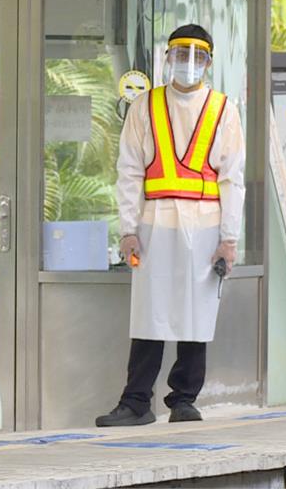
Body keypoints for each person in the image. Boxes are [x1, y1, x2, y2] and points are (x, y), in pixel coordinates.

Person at [95, 24, 245, 427]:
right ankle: (136, 402)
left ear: (209, 62)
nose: (188, 63)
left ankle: (183, 399)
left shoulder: (223, 109)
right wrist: (128, 230)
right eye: (181, 54)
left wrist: (229, 240)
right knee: (149, 312)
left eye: (197, 56)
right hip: (153, 221)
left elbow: (233, 178)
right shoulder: (145, 106)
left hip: (206, 223)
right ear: (168, 57)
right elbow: (128, 170)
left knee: (195, 313)